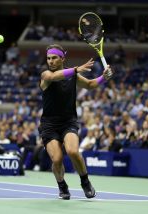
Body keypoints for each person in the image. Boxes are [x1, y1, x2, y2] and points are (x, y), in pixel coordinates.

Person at [39, 44, 112, 199]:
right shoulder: (45, 75)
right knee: (57, 159)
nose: (50, 61)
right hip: (49, 125)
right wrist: (76, 69)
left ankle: (85, 181)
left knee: (72, 151)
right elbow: (53, 77)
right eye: (48, 58)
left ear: (62, 58)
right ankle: (62, 186)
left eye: (54, 58)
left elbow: (90, 85)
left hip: (68, 121)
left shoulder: (73, 75)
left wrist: (103, 78)